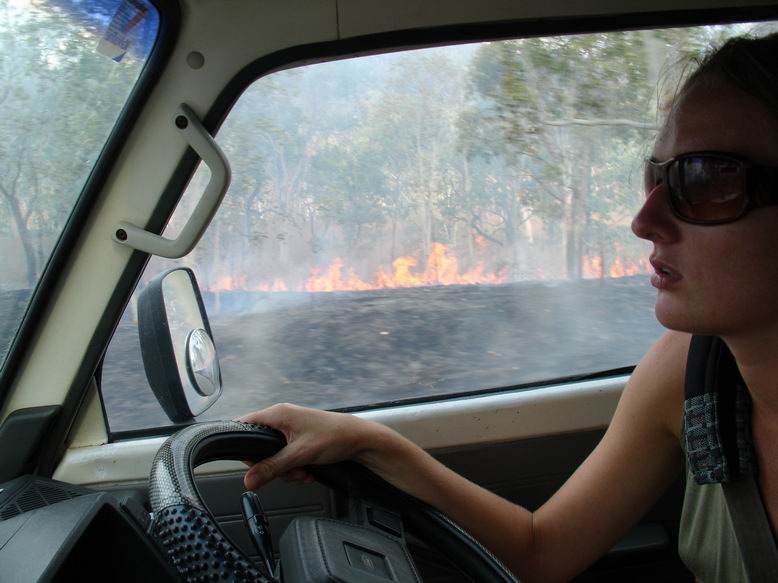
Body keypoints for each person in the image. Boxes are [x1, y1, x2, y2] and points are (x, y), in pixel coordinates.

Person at [239, 32, 778, 582]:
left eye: (706, 180)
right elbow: (541, 550)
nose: (644, 221)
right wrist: (371, 443)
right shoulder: (688, 371)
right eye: (656, 176)